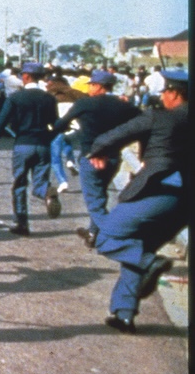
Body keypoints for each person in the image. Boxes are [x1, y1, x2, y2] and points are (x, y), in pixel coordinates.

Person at [87, 69, 188, 333]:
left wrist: (98, 151)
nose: (163, 96)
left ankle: (151, 265)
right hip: (185, 203)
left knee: (107, 237)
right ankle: (124, 314)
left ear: (174, 93)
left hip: (157, 191)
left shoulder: (158, 117)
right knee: (139, 248)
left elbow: (111, 136)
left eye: (165, 91)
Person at [50, 70, 140, 249]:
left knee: (94, 201)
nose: (89, 87)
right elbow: (141, 124)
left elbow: (60, 124)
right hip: (113, 157)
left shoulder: (84, 104)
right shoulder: (123, 105)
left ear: (98, 86)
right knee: (100, 194)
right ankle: (92, 233)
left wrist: (66, 127)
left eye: (91, 84)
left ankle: (114, 235)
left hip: (90, 156)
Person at [0, 62, 60, 236]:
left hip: (23, 144)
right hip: (43, 145)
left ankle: (22, 223)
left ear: (25, 76)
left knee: (20, 184)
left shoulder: (16, 98)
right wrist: (48, 138)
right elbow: (56, 124)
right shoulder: (49, 98)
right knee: (40, 182)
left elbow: (1, 122)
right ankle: (46, 192)